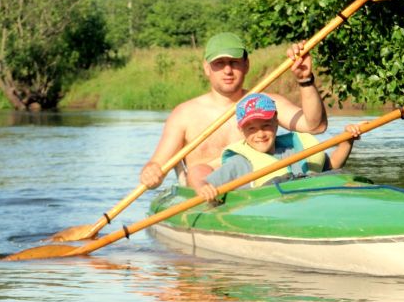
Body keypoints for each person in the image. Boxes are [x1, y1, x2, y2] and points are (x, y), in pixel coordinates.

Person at [140, 32, 328, 189]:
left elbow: (315, 126)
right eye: (219, 63)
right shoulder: (184, 114)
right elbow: (157, 165)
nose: (228, 70)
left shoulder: (265, 104)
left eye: (234, 62)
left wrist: (305, 79)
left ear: (246, 65)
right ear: (207, 68)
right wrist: (151, 173)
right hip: (207, 197)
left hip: (260, 192)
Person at [193, 93, 360, 201]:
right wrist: (203, 188)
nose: (260, 134)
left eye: (266, 125)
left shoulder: (295, 149)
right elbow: (206, 184)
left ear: (276, 123)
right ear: (241, 130)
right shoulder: (239, 163)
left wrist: (347, 141)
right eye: (251, 128)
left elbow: (331, 167)